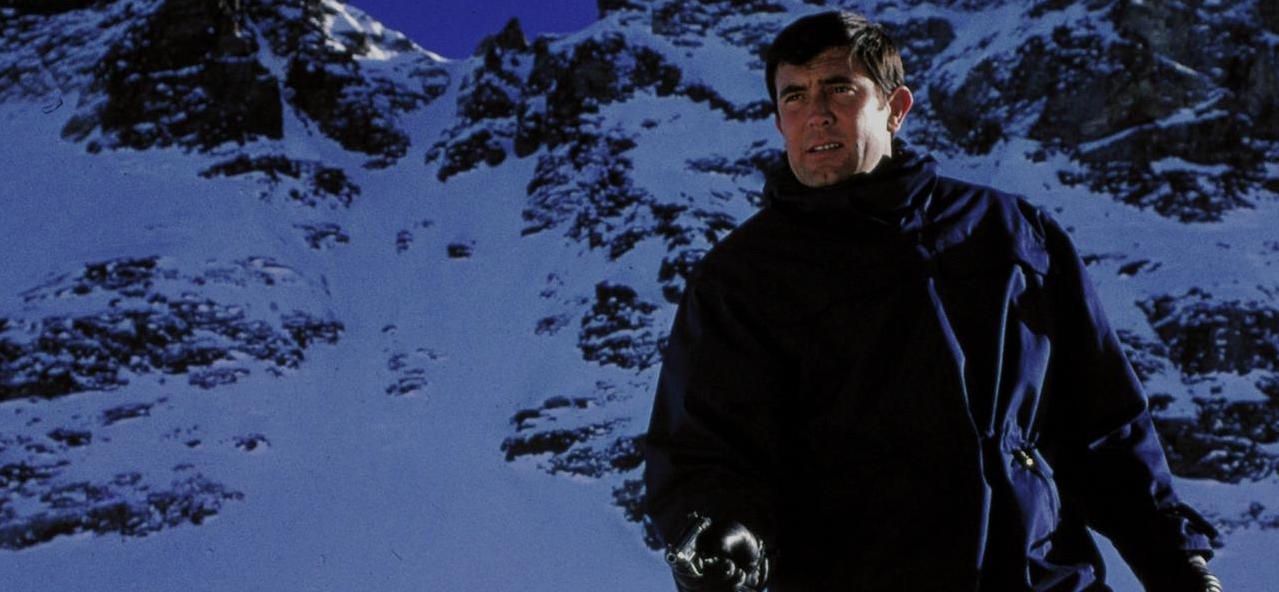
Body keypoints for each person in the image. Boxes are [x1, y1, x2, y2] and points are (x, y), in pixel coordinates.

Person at [642, 10, 1223, 592]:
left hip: (1040, 577)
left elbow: (1105, 427)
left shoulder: (1009, 236)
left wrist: (1179, 564)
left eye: (840, 89)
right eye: (794, 96)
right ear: (778, 121)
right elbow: (702, 453)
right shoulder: (741, 280)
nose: (816, 113)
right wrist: (720, 530)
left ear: (895, 108)